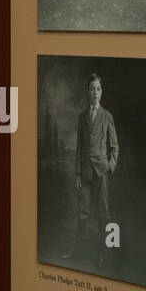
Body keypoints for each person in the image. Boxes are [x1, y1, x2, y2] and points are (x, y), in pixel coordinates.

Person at [62, 72, 118, 267]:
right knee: (83, 212)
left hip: (102, 172)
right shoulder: (82, 116)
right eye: (92, 89)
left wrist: (109, 166)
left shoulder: (107, 116)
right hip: (85, 171)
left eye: (98, 89)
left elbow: (115, 146)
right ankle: (76, 251)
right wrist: (78, 172)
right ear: (87, 91)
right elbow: (78, 147)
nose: (95, 92)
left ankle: (103, 254)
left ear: (101, 92)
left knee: (103, 213)